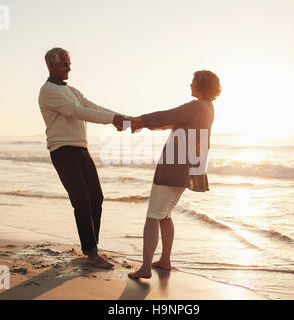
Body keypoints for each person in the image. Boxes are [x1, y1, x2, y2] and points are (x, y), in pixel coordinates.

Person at [127, 70, 221, 279]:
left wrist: (138, 120)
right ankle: (165, 260)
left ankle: (144, 268)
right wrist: (143, 125)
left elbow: (166, 116)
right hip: (184, 169)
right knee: (165, 215)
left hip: (174, 168)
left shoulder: (196, 106)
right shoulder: (207, 108)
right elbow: (170, 123)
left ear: (201, 85)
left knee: (153, 216)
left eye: (193, 82)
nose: (190, 85)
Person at [38, 47, 125, 269]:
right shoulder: (47, 91)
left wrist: (122, 118)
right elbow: (76, 112)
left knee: (96, 198)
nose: (69, 67)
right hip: (63, 151)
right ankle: (92, 253)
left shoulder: (73, 90)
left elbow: (91, 107)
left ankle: (92, 248)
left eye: (69, 62)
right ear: (51, 66)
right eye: (65, 63)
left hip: (81, 150)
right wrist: (113, 119)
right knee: (82, 202)